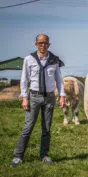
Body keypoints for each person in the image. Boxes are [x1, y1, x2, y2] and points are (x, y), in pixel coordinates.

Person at [11, 34, 66, 167]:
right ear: (36, 44)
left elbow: (59, 79)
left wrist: (62, 95)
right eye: (40, 43)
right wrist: (25, 98)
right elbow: (24, 79)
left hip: (49, 97)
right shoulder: (29, 59)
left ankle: (44, 155)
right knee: (28, 127)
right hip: (34, 97)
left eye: (45, 43)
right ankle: (18, 156)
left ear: (49, 45)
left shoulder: (54, 60)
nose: (43, 45)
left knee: (46, 128)